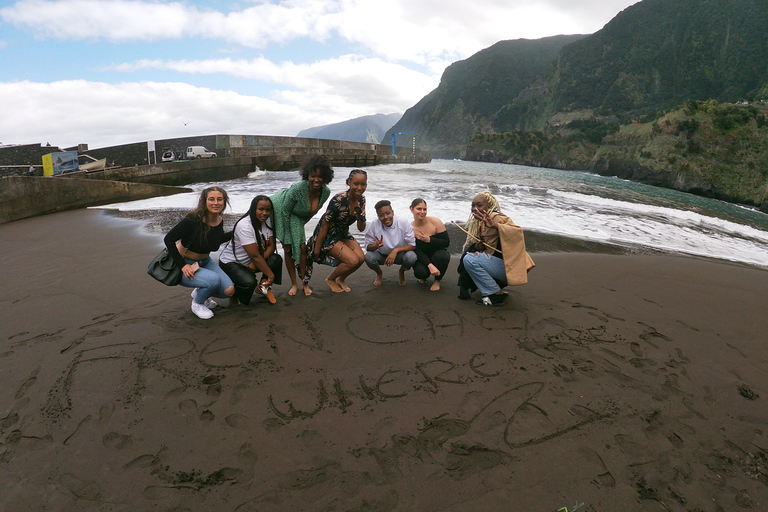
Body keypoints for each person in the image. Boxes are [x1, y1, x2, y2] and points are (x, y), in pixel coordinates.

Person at [163, 187, 235, 319]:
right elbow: (169, 239)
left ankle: (201, 291)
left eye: (219, 199)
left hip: (205, 261)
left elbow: (215, 241)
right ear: (204, 201)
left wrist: (237, 230)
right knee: (213, 280)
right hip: (184, 263)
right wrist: (183, 265)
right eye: (211, 199)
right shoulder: (193, 219)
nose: (216, 203)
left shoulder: (219, 220)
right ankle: (197, 303)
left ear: (224, 202)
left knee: (228, 290)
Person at [271, 154, 334, 296]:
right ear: (307, 175)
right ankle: (294, 284)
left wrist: (298, 229)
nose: (316, 180)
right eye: (313, 176)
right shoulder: (298, 189)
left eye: (320, 176)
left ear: (326, 177)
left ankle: (305, 283)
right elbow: (285, 212)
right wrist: (286, 238)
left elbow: (310, 212)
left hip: (297, 216)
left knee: (303, 249)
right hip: (279, 210)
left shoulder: (325, 192)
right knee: (289, 249)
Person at [457, 191, 535, 306]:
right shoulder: (481, 221)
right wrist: (478, 246)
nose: (474, 208)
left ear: (489, 206)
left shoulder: (496, 217)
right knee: (470, 255)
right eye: (472, 205)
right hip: (499, 266)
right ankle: (495, 289)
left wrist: (496, 226)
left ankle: (495, 293)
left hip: (510, 268)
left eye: (479, 205)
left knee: (469, 259)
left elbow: (517, 232)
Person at [305, 169, 367, 293]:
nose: (359, 188)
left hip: (342, 233)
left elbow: (361, 228)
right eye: (356, 184)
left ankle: (341, 279)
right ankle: (331, 279)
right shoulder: (339, 199)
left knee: (360, 258)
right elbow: (324, 224)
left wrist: (361, 218)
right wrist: (317, 249)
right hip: (328, 235)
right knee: (352, 260)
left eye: (363, 184)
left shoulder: (362, 200)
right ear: (349, 182)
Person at [218, 195, 282, 307]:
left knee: (276, 259)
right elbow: (254, 255)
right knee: (249, 282)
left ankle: (263, 286)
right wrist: (270, 276)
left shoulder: (267, 222)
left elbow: (271, 246)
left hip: (251, 260)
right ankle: (235, 294)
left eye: (268, 210)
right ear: (253, 209)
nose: (265, 213)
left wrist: (256, 262)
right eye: (261, 209)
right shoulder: (245, 225)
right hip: (231, 263)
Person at [364, 200, 417, 286]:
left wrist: (395, 250)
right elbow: (367, 246)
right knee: (368, 257)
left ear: (393, 212)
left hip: (399, 255)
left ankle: (401, 271)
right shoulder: (374, 224)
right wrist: (375, 246)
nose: (385, 217)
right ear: (378, 216)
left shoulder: (403, 222)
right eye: (381, 215)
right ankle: (379, 273)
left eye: (388, 213)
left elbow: (412, 245)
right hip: (382, 255)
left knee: (411, 257)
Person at [409, 198, 450, 291]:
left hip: (437, 253)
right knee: (420, 273)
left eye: (424, 209)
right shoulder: (410, 228)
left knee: (443, 256)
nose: (422, 212)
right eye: (419, 209)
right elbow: (416, 250)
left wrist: (430, 240)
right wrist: (429, 265)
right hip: (422, 256)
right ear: (411, 209)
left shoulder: (435, 222)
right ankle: (423, 277)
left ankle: (437, 281)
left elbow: (446, 243)